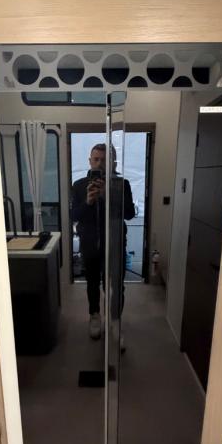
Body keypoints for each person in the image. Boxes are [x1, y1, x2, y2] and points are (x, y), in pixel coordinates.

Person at [70, 143, 135, 342]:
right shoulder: (79, 185)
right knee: (92, 282)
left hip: (115, 244)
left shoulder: (122, 184)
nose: (99, 163)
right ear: (90, 161)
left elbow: (130, 214)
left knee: (115, 285)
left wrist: (108, 197)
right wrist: (88, 202)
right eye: (96, 159)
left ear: (112, 162)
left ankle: (115, 321)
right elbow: (74, 215)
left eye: (104, 160)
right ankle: (95, 316)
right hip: (90, 244)